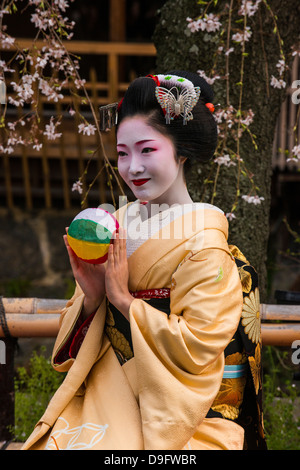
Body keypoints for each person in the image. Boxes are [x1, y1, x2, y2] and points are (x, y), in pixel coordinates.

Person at [22, 71, 266, 450]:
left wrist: (122, 300)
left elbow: (198, 347)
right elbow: (79, 339)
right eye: (122, 153)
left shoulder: (207, 246)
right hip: (107, 390)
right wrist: (93, 297)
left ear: (181, 151)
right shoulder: (118, 224)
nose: (132, 167)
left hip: (181, 413)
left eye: (147, 150)